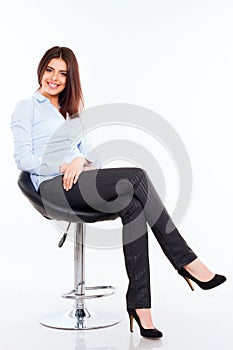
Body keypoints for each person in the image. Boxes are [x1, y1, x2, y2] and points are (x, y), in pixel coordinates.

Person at [11, 46, 226, 339]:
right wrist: (64, 165)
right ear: (41, 70)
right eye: (49, 70)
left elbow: (95, 159)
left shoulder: (74, 115)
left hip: (79, 183)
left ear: (70, 78)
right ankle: (186, 261)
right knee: (136, 176)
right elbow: (23, 159)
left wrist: (80, 160)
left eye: (62, 73)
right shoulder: (28, 107)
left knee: (133, 205)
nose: (54, 78)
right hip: (51, 187)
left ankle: (140, 307)